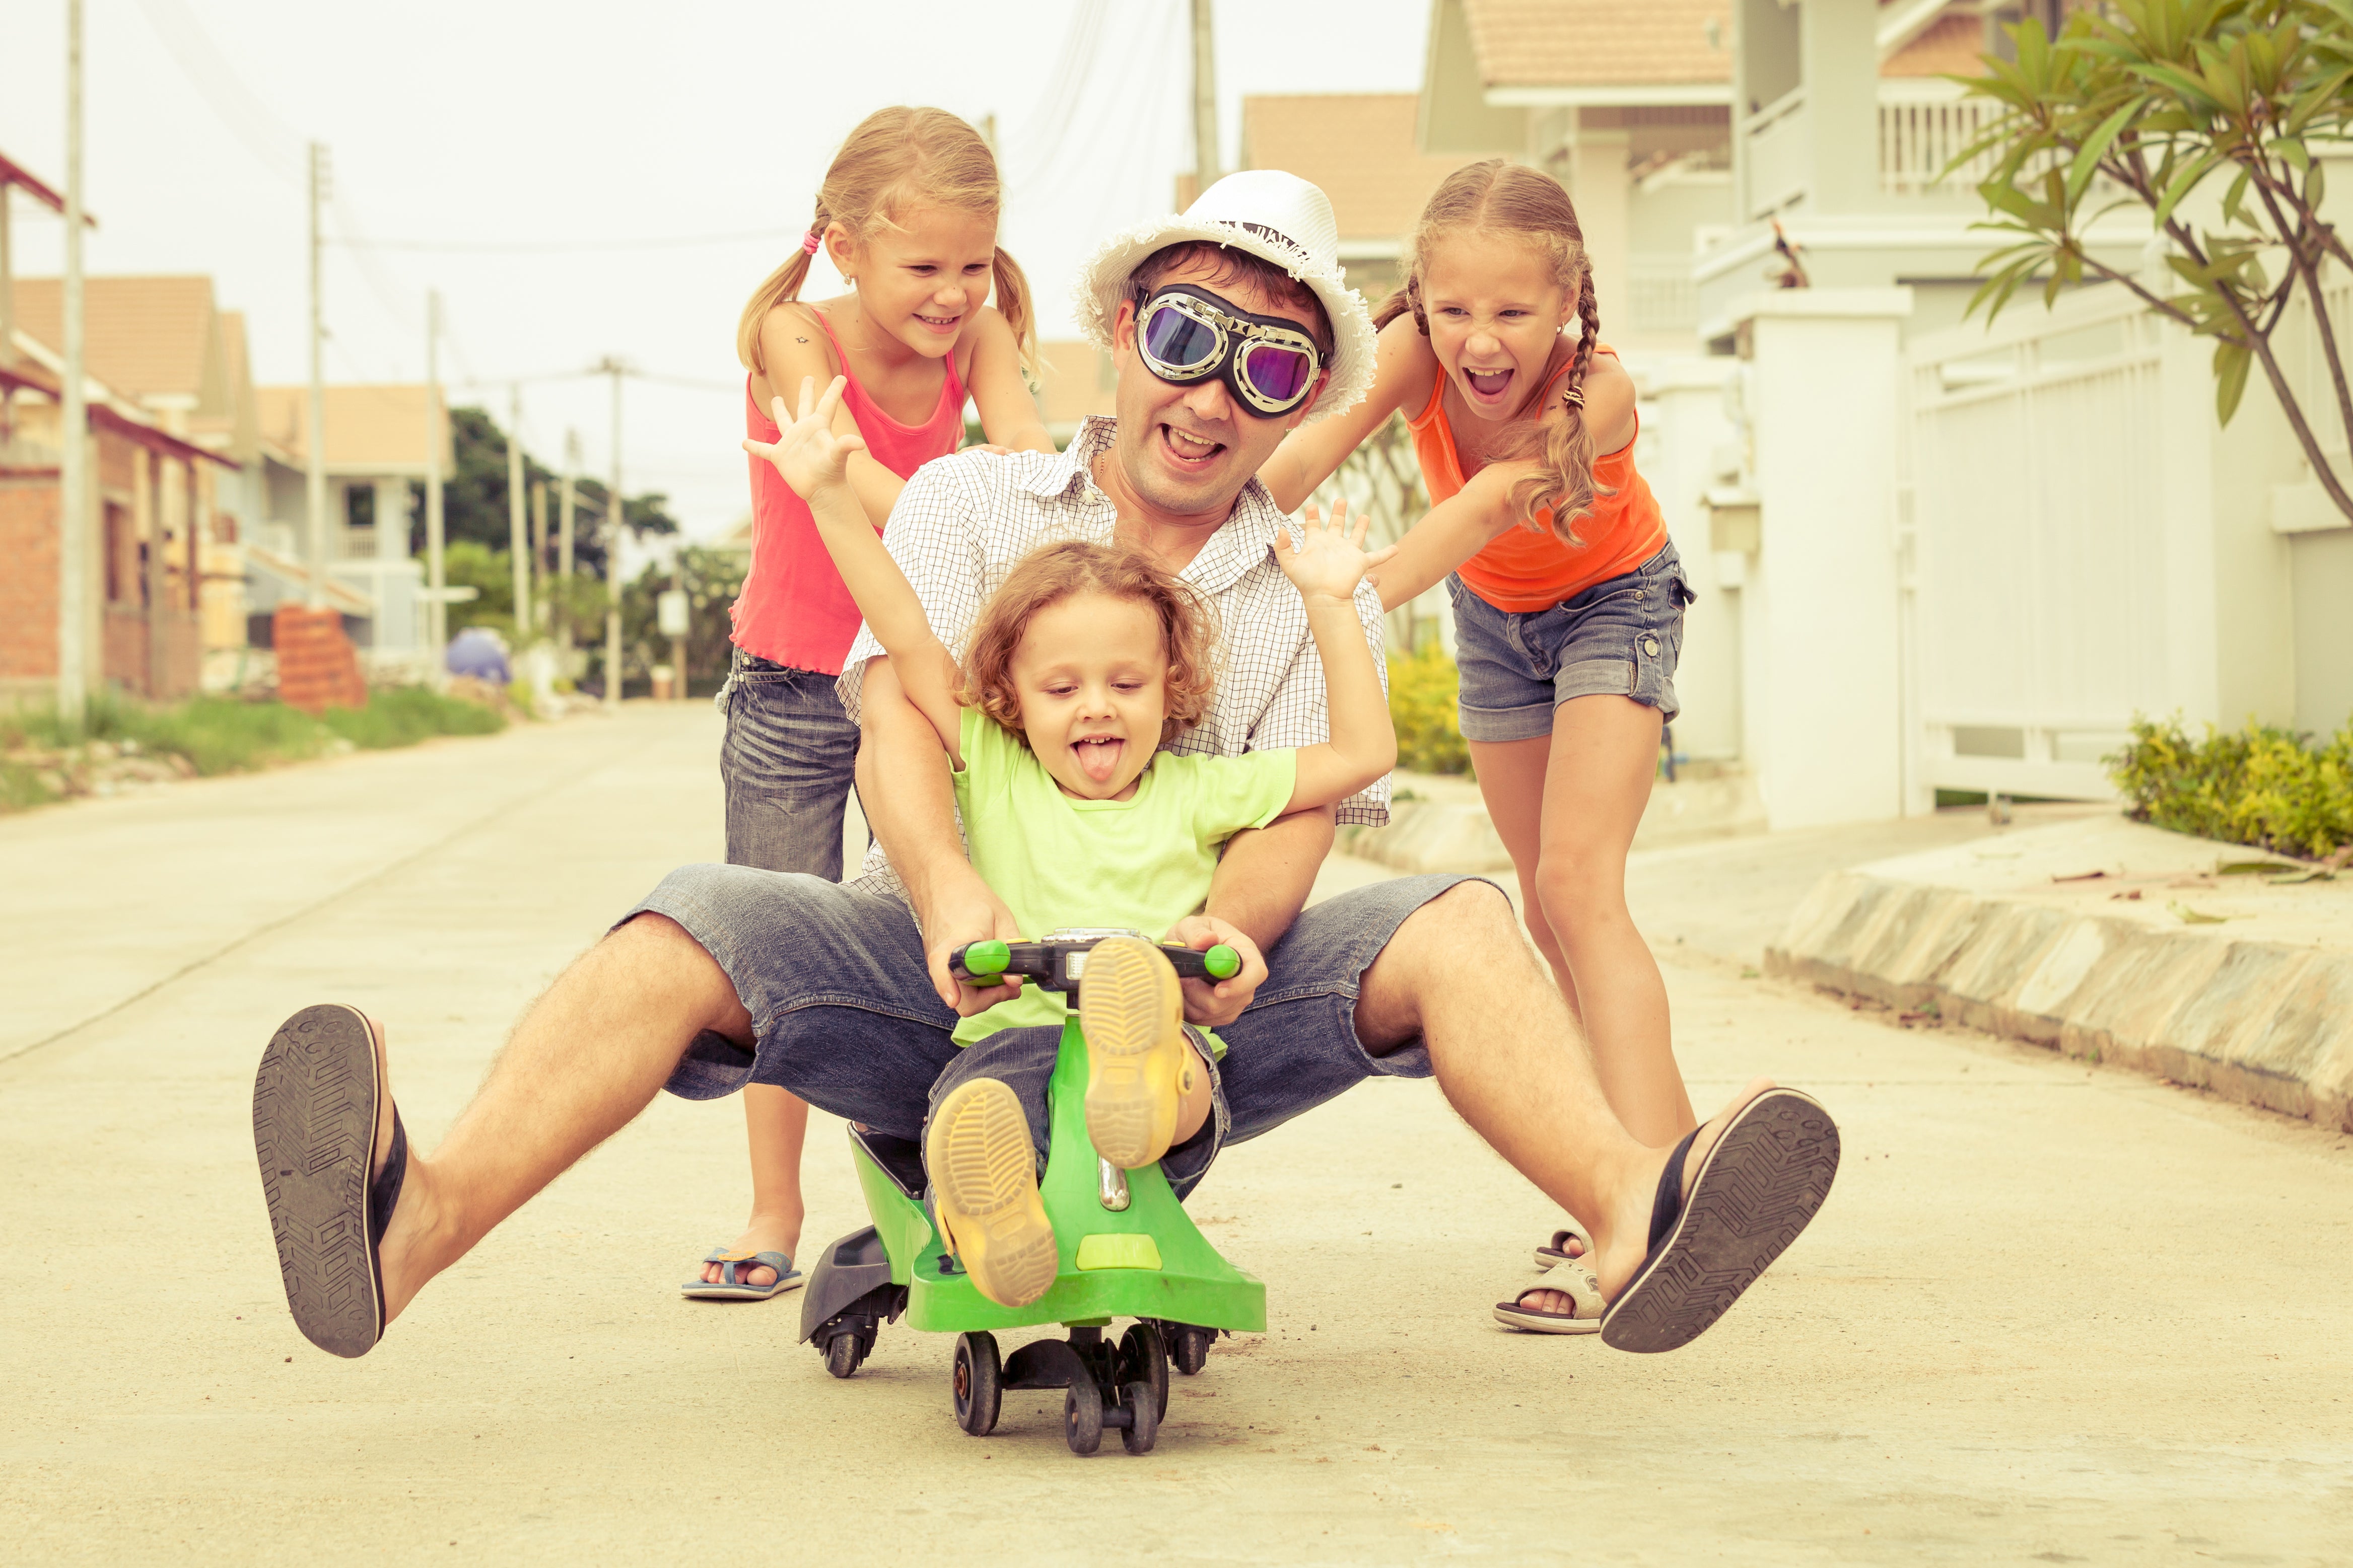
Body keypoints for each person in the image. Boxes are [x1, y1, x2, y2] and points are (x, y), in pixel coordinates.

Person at [248, 171, 1838, 1367]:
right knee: (685, 916)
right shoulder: (965, 507)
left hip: (1187, 1006)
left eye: (1272, 371)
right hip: (958, 964)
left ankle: (1637, 1209)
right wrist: (944, 897)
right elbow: (898, 723)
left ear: (1305, 407)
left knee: (1471, 923)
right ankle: (412, 1223)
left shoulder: (1290, 580)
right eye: (1185, 339)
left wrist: (1227, 941)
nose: (1214, 395)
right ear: (1121, 334)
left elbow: (1293, 808)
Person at [748, 369, 1395, 1304]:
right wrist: (829, 498)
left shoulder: (1202, 787)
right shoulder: (997, 764)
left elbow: (1363, 753)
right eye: (1061, 689)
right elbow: (906, 631)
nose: (1097, 706)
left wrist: (1332, 602)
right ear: (1009, 697)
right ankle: (990, 1212)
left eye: (1126, 685)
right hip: (1015, 1036)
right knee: (977, 1113)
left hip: (1170, 1044)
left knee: (1176, 1077)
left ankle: (1130, 1087)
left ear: (1172, 691)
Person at [1259, 161, 1697, 1329]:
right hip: (1495, 626)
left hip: (1616, 602)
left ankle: (1649, 1202)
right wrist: (1218, 522)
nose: (1478, 339)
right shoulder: (1408, 351)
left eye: (1510, 311)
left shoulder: (1597, 391)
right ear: (1419, 297)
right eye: (1452, 309)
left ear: (1565, 303)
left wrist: (1351, 595)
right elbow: (1306, 453)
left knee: (1576, 885)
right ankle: (1644, 1155)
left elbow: (1491, 503)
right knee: (1542, 909)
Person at [688, 107, 1058, 1303]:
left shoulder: (983, 333)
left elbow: (1025, 465)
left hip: (912, 675)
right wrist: (978, 527)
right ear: (845, 247)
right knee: (775, 943)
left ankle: (957, 1176)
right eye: (923, 268)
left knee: (952, 925)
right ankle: (770, 1210)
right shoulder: (795, 334)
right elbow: (848, 472)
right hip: (794, 686)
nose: (952, 295)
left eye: (970, 265)